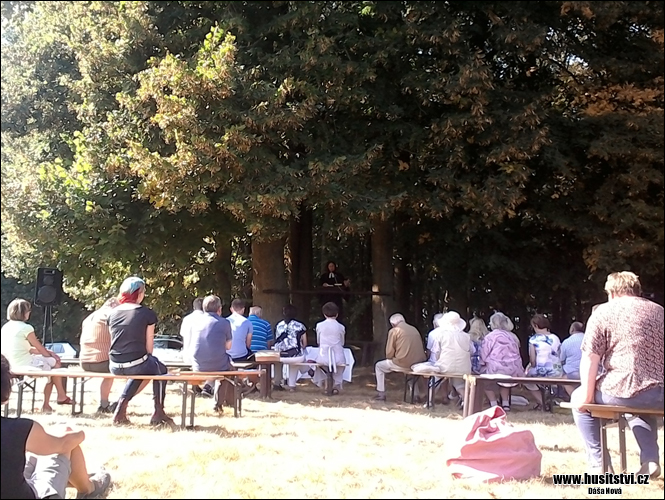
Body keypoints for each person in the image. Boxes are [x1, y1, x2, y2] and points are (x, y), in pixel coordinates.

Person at [571, 271, 664, 478]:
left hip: (627, 387)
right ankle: (650, 460)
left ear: (611, 292)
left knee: (579, 398)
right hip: (660, 393)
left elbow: (590, 357)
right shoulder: (660, 311)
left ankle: (600, 466)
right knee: (639, 407)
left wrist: (587, 397)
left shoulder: (604, 312)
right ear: (637, 291)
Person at [1, 354, 111, 499]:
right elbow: (62, 445)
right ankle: (90, 488)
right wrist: (80, 435)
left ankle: (86, 485)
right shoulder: (20, 430)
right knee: (63, 442)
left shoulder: (22, 432)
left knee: (35, 456)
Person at [108, 276, 174, 427]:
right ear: (139, 293)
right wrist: (150, 359)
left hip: (114, 364)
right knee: (159, 369)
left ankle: (121, 409)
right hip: (136, 362)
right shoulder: (146, 313)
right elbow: (149, 347)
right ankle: (158, 412)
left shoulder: (112, 313)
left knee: (143, 368)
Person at [1, 298, 71, 412]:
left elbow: (27, 349)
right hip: (25, 364)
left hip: (9, 364)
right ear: (23, 313)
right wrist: (52, 357)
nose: (29, 313)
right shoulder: (26, 328)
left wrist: (50, 353)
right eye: (28, 311)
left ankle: (58, 397)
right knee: (55, 364)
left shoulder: (6, 327)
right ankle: (55, 399)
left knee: (51, 362)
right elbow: (38, 347)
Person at [189, 295, 233, 412]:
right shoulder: (224, 322)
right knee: (229, 371)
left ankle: (221, 403)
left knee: (223, 368)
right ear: (219, 309)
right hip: (218, 365)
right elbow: (229, 347)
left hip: (197, 365)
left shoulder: (196, 322)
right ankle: (221, 403)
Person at [79, 297, 120, 413]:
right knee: (129, 367)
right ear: (114, 305)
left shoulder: (89, 317)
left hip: (84, 362)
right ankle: (117, 403)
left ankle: (105, 404)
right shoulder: (111, 315)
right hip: (101, 361)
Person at [373, 313, 426, 402]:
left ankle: (381, 393)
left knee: (379, 366)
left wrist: (391, 357)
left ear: (393, 324)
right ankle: (415, 395)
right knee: (410, 372)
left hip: (402, 362)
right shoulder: (414, 329)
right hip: (418, 363)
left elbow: (389, 352)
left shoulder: (394, 331)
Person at [479, 311, 524, 412]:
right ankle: (505, 403)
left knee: (485, 380)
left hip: (496, 368)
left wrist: (481, 363)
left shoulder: (490, 337)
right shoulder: (513, 336)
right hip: (513, 369)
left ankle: (493, 403)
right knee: (505, 381)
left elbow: (484, 353)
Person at [431, 311, 472, 405]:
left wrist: (438, 360)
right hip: (463, 367)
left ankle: (429, 401)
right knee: (459, 385)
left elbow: (436, 352)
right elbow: (472, 351)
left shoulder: (441, 335)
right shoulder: (466, 336)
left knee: (434, 381)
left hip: (445, 366)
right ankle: (466, 402)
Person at [525, 314, 563, 410]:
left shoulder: (533, 339)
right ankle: (546, 400)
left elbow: (533, 361)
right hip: (557, 371)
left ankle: (542, 403)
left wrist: (529, 367)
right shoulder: (556, 337)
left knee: (526, 380)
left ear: (536, 326)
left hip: (543, 371)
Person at [272, 304, 308, 392]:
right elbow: (304, 343)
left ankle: (277, 383)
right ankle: (292, 386)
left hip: (280, 355)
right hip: (294, 355)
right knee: (296, 362)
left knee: (278, 362)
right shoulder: (300, 326)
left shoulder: (278, 325)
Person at [313, 302, 346, 394]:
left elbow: (318, 341)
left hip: (323, 355)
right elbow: (342, 342)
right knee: (340, 365)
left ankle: (325, 384)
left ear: (324, 314)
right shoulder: (341, 327)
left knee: (321, 365)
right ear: (337, 314)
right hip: (337, 355)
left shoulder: (319, 325)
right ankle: (336, 385)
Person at [560, 321, 584, 395]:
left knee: (563, 379)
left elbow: (561, 360)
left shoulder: (566, 342)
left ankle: (574, 398)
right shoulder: (589, 339)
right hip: (591, 372)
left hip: (572, 373)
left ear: (572, 329)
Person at [180, 297, 204, 364]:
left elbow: (182, 334)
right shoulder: (206, 319)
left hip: (187, 356)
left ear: (194, 307)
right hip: (202, 358)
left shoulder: (186, 319)